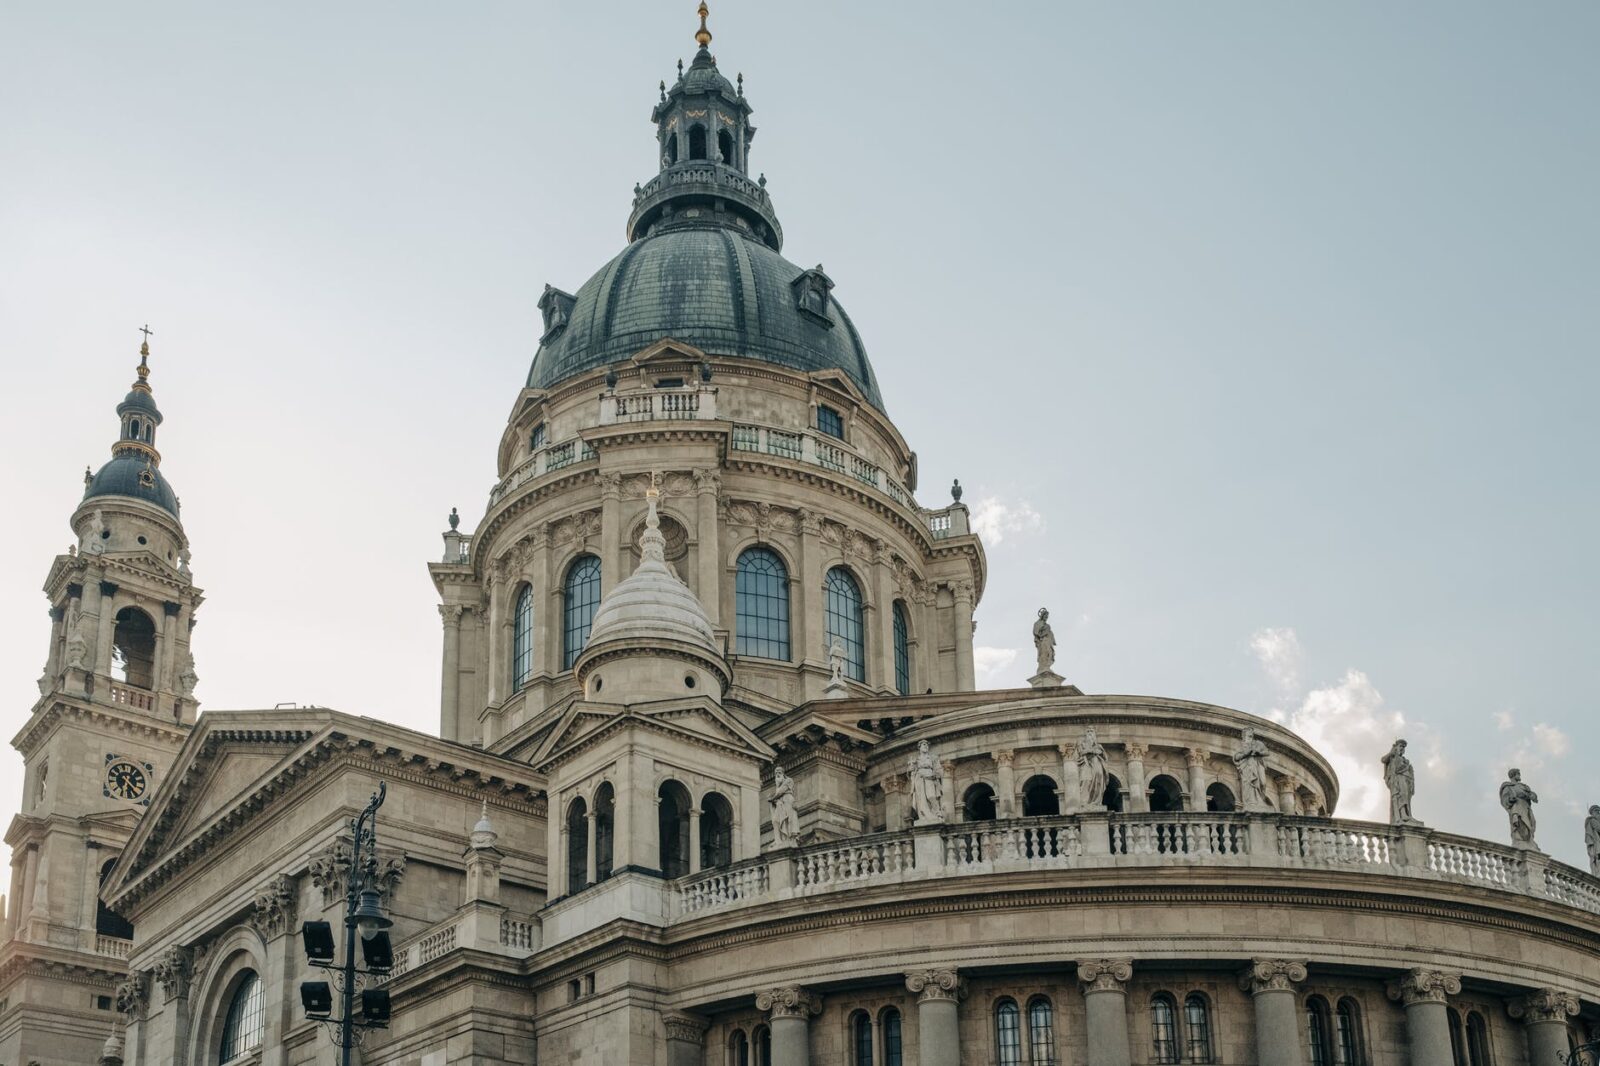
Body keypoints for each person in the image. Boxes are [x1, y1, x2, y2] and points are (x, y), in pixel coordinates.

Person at [1234, 729, 1275, 812]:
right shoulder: (1242, 745)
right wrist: (1246, 754)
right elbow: (1236, 757)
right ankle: (1252, 802)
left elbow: (1267, 752)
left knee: (1263, 783)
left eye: (1251, 734)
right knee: (1249, 784)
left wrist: (1258, 753)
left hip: (1258, 764)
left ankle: (1261, 800)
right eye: (1248, 734)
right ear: (1244, 736)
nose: (1250, 735)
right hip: (1247, 766)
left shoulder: (1258, 743)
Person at [1500, 768, 1539, 848]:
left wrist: (1531, 796)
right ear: (1514, 775)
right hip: (1517, 807)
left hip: (1526, 808)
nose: (1520, 776)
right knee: (1521, 824)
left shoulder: (1524, 786)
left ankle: (1529, 841)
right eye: (1518, 774)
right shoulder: (1508, 786)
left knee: (1532, 822)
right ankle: (1521, 841)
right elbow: (1504, 799)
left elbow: (1533, 795)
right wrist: (1510, 800)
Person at [908, 740, 944, 825]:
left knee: (931, 796)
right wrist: (911, 767)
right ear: (919, 747)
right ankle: (924, 816)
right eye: (924, 745)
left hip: (930, 776)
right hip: (919, 778)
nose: (926, 746)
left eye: (927, 745)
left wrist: (936, 775)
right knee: (921, 799)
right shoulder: (916, 759)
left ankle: (937, 813)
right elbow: (910, 772)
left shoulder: (933, 757)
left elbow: (939, 769)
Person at [1381, 739, 1417, 824]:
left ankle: (1408, 815)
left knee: (1406, 796)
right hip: (1397, 778)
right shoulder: (1392, 757)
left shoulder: (1404, 760)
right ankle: (1402, 814)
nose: (1402, 748)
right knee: (1401, 794)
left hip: (1406, 778)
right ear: (1396, 747)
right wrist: (1391, 753)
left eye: (1403, 747)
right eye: (1401, 746)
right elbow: (1383, 760)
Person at [1077, 728, 1108, 810]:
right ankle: (1085, 802)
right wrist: (1091, 751)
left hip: (1097, 764)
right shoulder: (1082, 744)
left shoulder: (1099, 746)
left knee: (1099, 780)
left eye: (1091, 731)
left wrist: (1094, 751)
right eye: (1088, 731)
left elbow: (1104, 756)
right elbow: (1081, 752)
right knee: (1086, 781)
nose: (1090, 733)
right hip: (1087, 764)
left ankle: (1096, 801)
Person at [769, 766, 798, 847]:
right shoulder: (778, 785)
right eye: (776, 773)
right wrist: (774, 800)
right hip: (780, 803)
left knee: (788, 819)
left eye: (779, 772)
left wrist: (772, 798)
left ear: (783, 773)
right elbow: (778, 793)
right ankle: (778, 840)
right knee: (775, 820)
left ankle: (788, 839)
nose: (777, 774)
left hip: (787, 801)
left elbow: (781, 791)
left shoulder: (788, 780)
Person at [1032, 608, 1056, 674]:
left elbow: (1050, 633)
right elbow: (1036, 632)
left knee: (1050, 653)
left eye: (1047, 616)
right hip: (1043, 640)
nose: (1046, 617)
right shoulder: (1037, 623)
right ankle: (1043, 667)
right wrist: (1042, 633)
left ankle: (1047, 666)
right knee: (1044, 652)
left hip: (1048, 640)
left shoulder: (1047, 625)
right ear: (1042, 615)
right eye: (1045, 616)